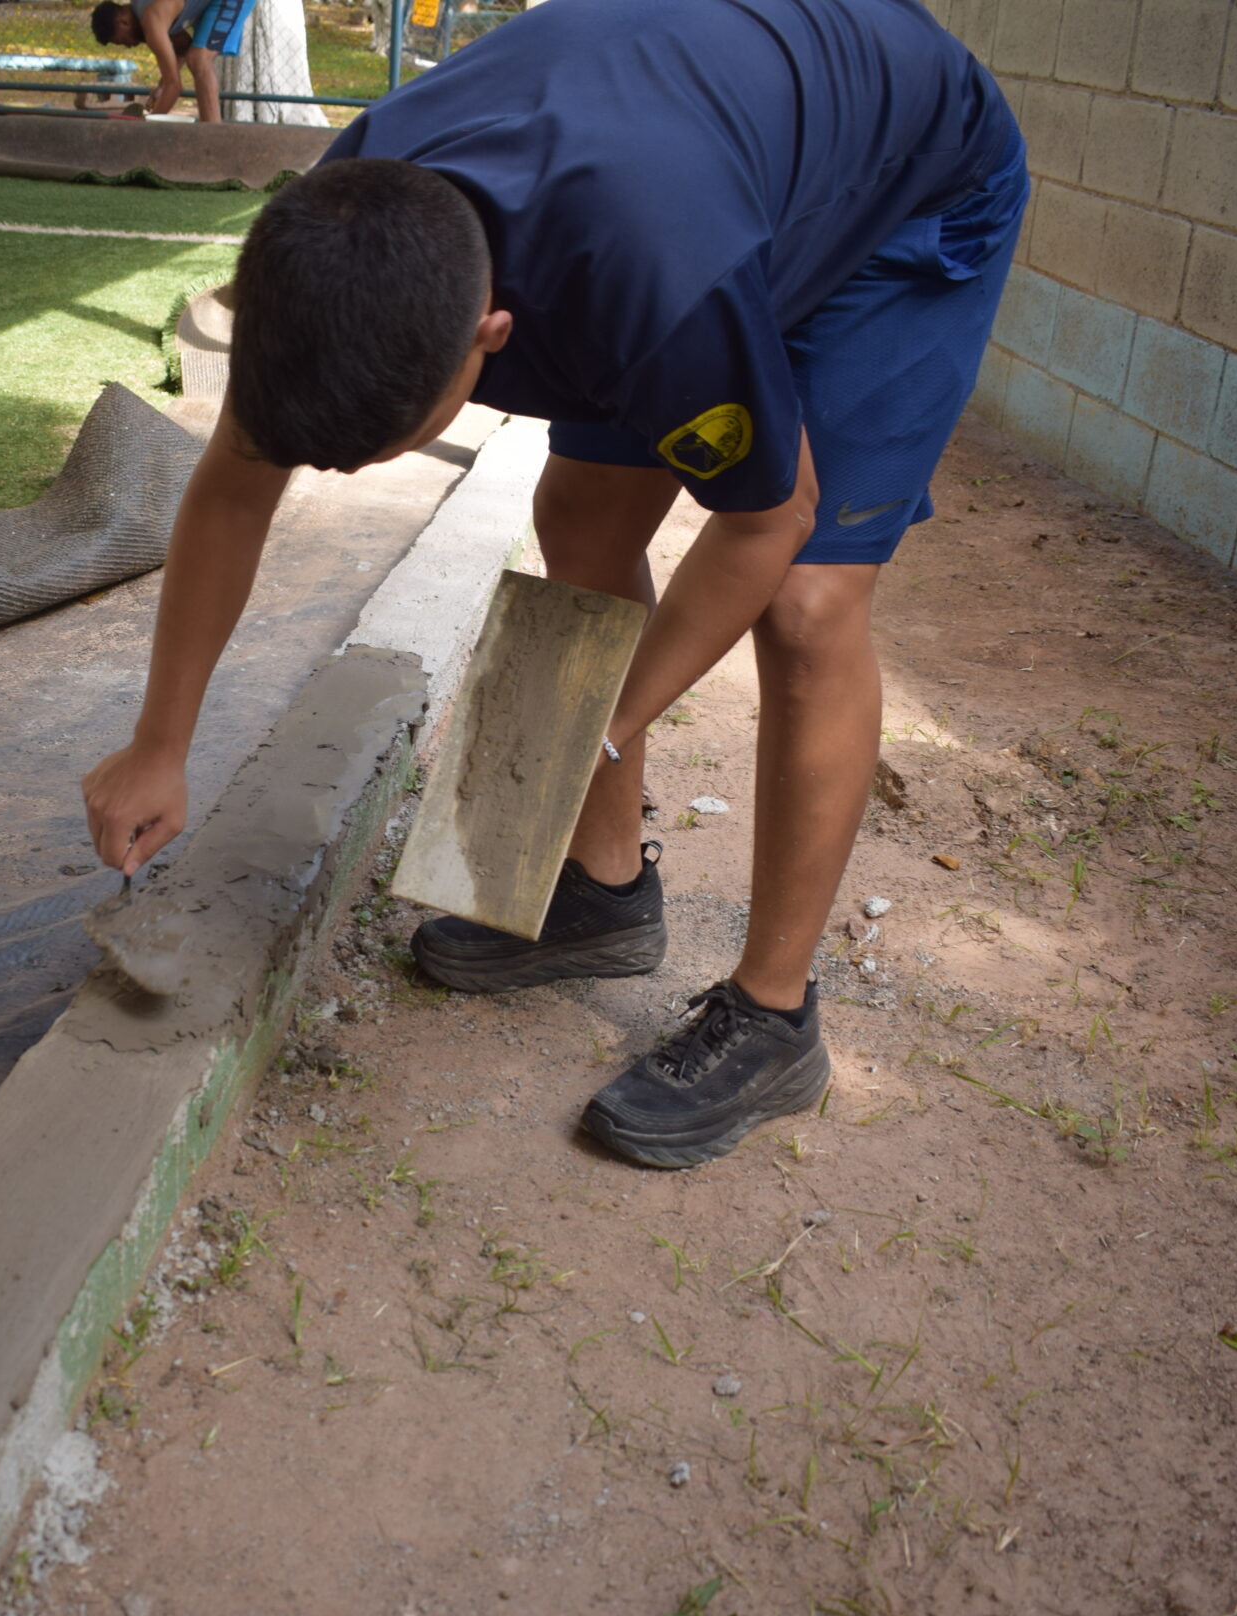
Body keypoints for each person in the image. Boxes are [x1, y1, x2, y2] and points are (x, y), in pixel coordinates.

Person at [82, 0, 1025, 1169]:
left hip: (907, 187)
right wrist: (159, 743)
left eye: (377, 449)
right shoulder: (333, 236)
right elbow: (233, 490)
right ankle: (600, 895)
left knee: (806, 602)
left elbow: (767, 519)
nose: (340, 466)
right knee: (578, 513)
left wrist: (600, 726)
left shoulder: (652, 283)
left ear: (492, 335)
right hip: (711, 166)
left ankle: (775, 1019)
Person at [89, 0, 259, 124]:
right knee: (195, 58)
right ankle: (210, 133)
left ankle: (213, 139)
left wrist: (146, 126)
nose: (128, 46)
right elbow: (182, 48)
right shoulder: (151, 10)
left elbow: (175, 86)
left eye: (122, 41)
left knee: (199, 60)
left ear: (123, 22)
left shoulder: (151, 19)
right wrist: (161, 87)